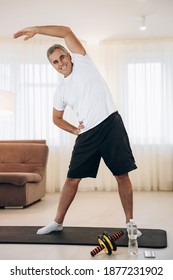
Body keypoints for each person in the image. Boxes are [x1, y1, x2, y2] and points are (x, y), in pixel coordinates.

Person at [13, 25, 142, 236]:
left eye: (62, 57)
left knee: (122, 175)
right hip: (88, 134)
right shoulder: (61, 91)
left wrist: (37, 29)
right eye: (55, 62)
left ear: (69, 56)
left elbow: (65, 31)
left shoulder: (83, 61)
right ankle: (57, 222)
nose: (61, 63)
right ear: (52, 66)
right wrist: (74, 130)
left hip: (111, 124)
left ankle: (130, 224)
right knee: (72, 179)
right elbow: (56, 118)